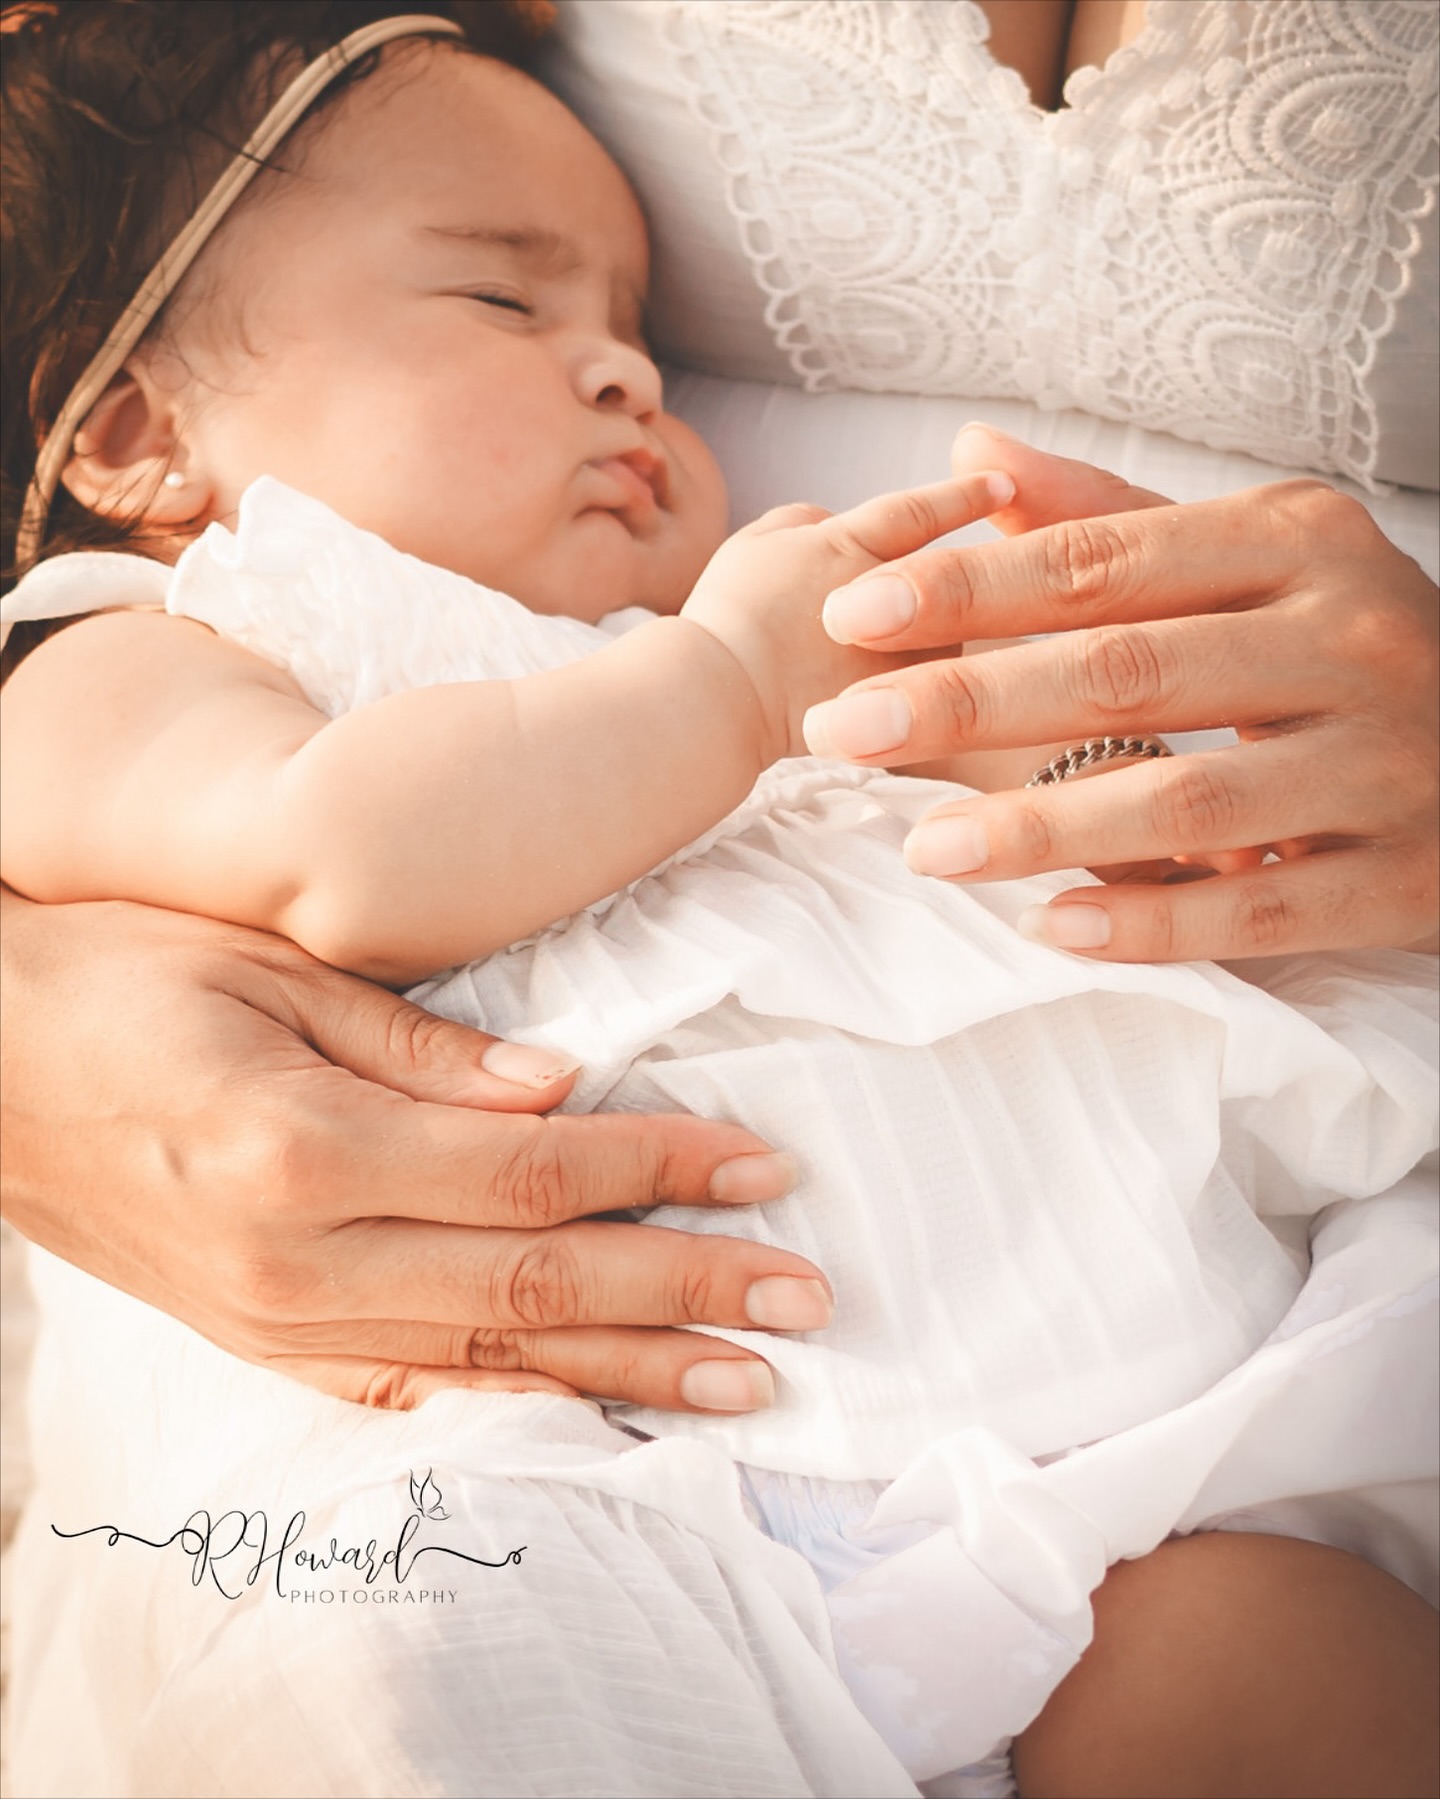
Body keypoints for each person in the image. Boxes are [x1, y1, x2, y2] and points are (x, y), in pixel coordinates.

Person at [0, 5, 1435, 1797]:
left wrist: (1081, 774)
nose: (626, 373)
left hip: (1104, 1457)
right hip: (550, 1469)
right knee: (426, 1673)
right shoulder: (159, 644)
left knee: (1274, 1675)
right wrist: (729, 687)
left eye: (637, 328)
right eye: (506, 301)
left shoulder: (680, 655)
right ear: (136, 434)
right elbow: (339, 854)